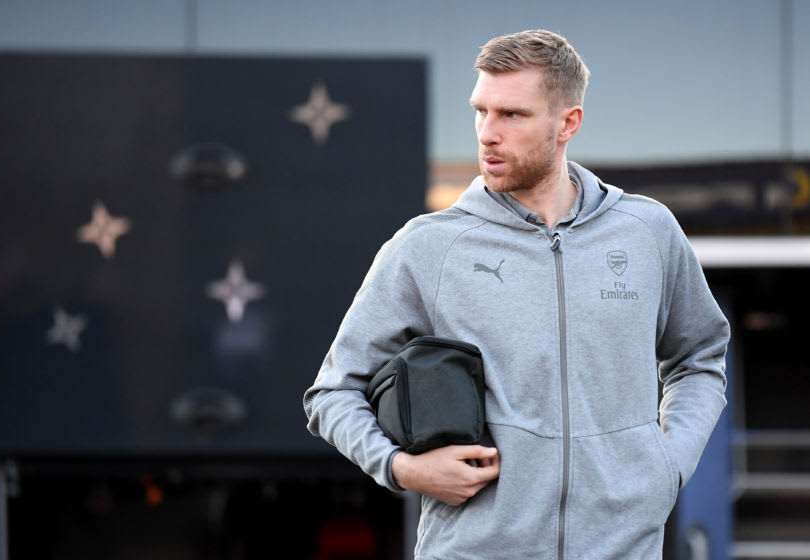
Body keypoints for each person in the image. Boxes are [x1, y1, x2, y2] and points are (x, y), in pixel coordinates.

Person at [304, 29, 729, 559]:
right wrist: (402, 468)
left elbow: (699, 358)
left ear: (567, 123)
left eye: (512, 115)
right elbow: (333, 394)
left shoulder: (648, 232)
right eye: (481, 111)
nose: (487, 133)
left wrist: (667, 466)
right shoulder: (428, 246)